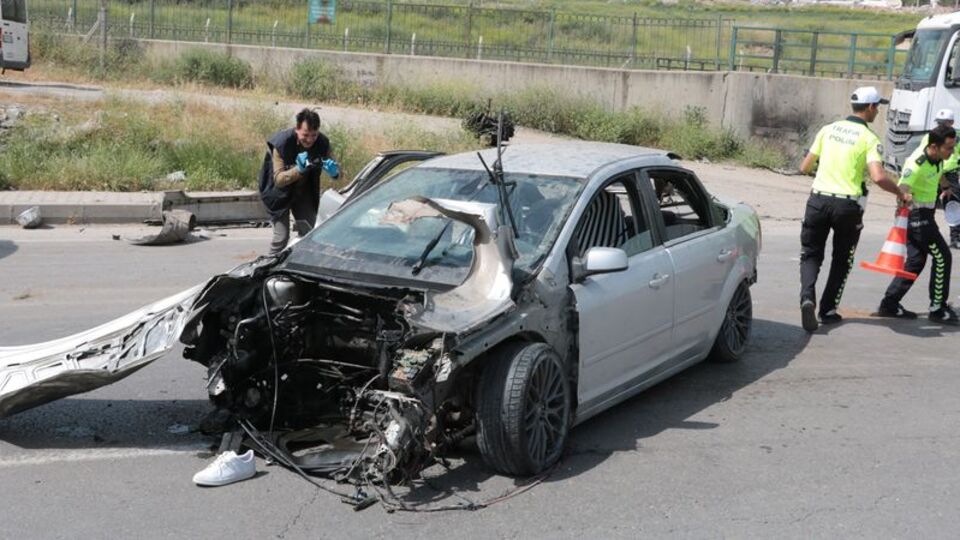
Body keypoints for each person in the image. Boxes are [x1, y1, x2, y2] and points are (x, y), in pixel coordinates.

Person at [798, 86, 911, 332]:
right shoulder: (869, 138)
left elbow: (805, 166)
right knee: (842, 259)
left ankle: (807, 296)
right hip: (847, 206)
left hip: (818, 200)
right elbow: (879, 177)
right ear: (870, 107)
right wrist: (900, 192)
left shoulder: (828, 129)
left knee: (811, 254)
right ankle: (827, 310)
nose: (878, 112)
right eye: (877, 107)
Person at [876, 124, 958, 324]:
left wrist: (947, 189)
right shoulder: (916, 164)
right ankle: (937, 308)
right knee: (942, 257)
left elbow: (939, 175)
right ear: (934, 146)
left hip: (926, 215)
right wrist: (903, 199)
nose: (952, 151)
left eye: (953, 147)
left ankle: (889, 303)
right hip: (917, 217)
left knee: (915, 262)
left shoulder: (938, 159)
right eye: (948, 147)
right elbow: (903, 187)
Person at [258, 108, 340, 254]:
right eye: (305, 135)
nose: (309, 140)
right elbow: (278, 180)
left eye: (314, 135)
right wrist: (298, 170)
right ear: (297, 129)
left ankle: (297, 265)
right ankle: (268, 267)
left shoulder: (322, 143)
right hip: (278, 193)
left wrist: (335, 172)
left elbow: (337, 173)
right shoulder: (282, 143)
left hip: (304, 192)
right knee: (281, 238)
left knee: (309, 233)